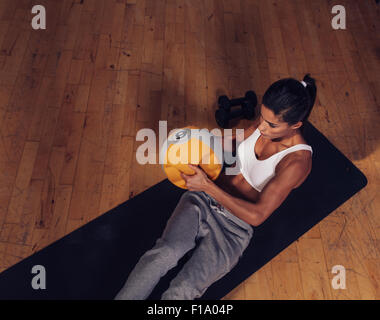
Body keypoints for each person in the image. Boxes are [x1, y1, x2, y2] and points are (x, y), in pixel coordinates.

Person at [114, 74, 317, 300]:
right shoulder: (264, 125)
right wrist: (194, 138)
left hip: (233, 229)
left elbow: (257, 215)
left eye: (271, 124)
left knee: (184, 289)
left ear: (296, 125)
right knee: (164, 254)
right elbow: (234, 139)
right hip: (202, 200)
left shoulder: (297, 162)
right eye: (261, 116)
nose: (262, 126)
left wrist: (207, 186)